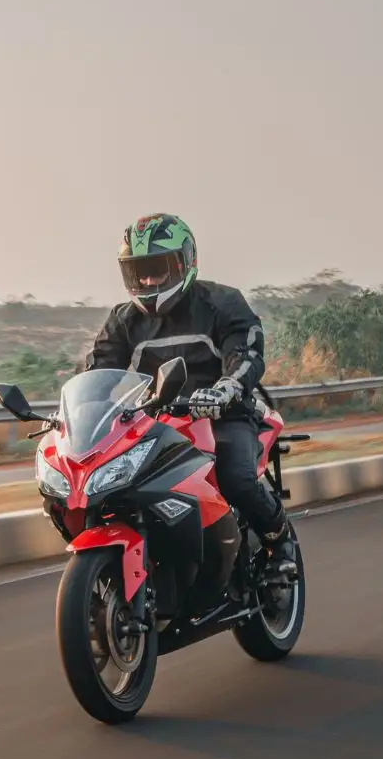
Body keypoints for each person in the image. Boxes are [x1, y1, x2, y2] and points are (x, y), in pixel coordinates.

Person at [81, 212, 296, 576]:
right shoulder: (123, 320)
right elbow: (98, 370)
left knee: (236, 479)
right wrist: (81, 410)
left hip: (224, 415)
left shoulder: (222, 303)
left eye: (158, 269)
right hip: (157, 421)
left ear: (185, 262)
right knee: (110, 483)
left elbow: (246, 353)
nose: (148, 280)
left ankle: (280, 540)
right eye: (139, 272)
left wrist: (227, 388)